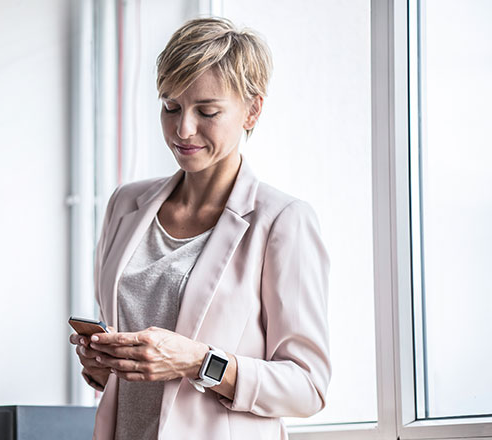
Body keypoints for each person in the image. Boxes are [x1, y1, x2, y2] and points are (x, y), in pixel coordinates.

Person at [69, 17, 331, 440]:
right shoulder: (125, 205)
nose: (182, 129)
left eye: (207, 111)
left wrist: (197, 361)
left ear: (252, 109)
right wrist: (104, 366)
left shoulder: (282, 221)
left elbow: (308, 387)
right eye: (170, 107)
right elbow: (133, 374)